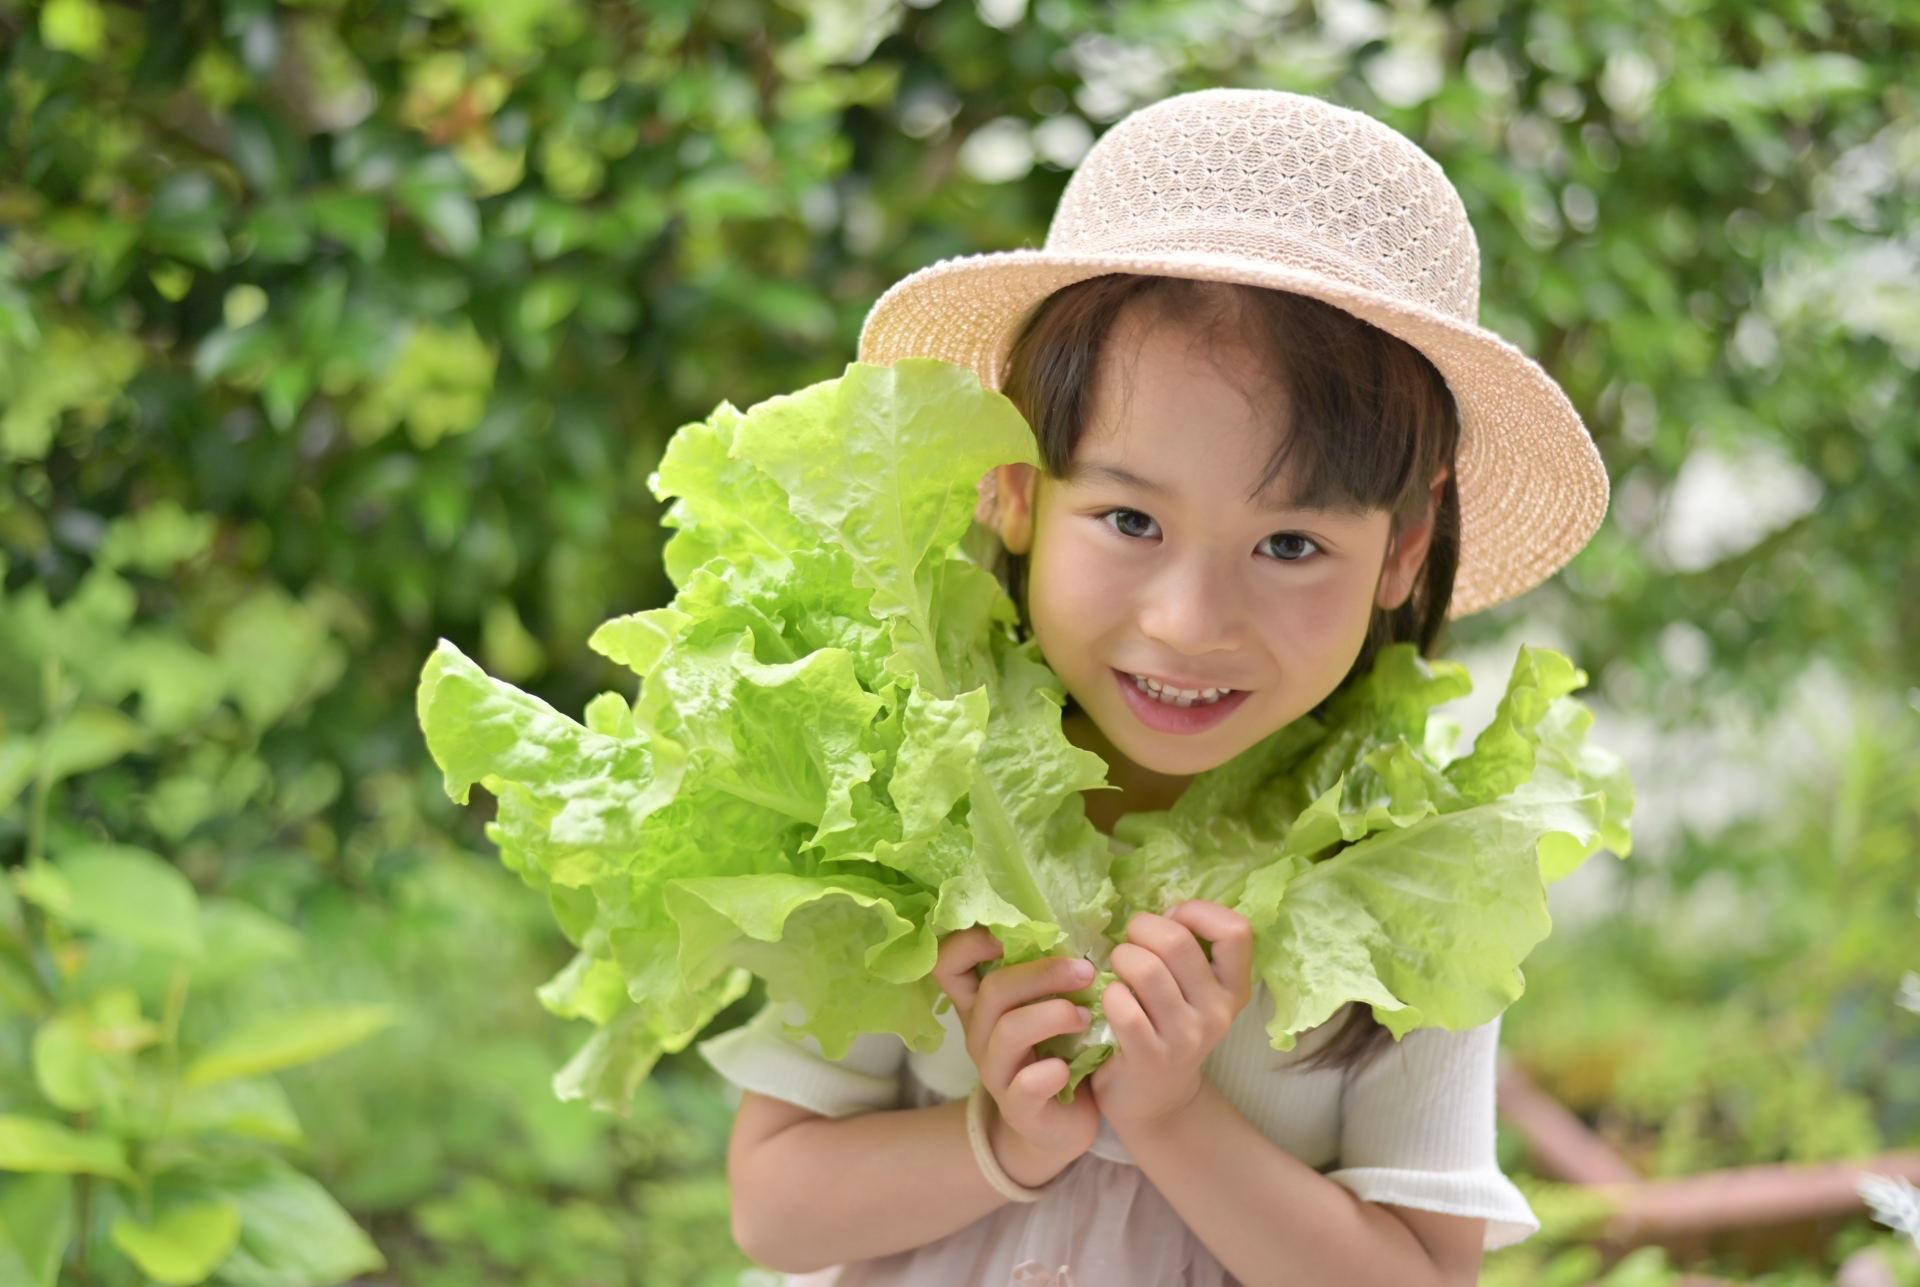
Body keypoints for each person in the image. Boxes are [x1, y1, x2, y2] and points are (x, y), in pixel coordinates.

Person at [700, 89, 1610, 1287]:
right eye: (1130, 519)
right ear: (1011, 485)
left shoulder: (1415, 870)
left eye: (1290, 546)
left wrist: (1173, 1116)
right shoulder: (915, 795)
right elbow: (774, 1212)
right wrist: (1001, 1138)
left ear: (1400, 546)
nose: (1190, 624)